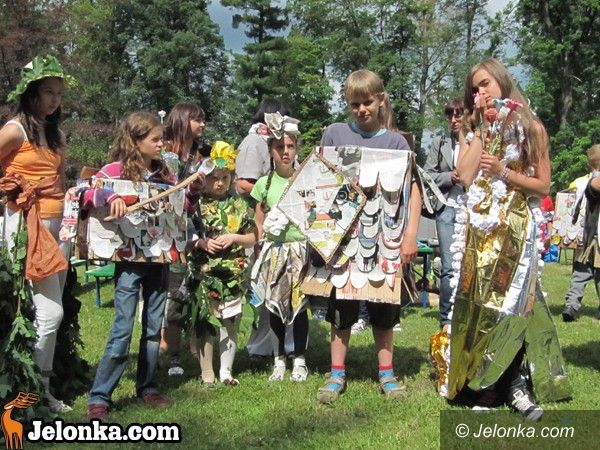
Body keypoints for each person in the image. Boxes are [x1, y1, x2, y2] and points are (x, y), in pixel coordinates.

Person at [445, 58, 570, 420]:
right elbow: (464, 175)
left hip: (516, 227)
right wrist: (483, 130)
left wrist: (503, 172)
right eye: (474, 88)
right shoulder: (478, 128)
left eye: (484, 84)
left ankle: (513, 384)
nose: (479, 92)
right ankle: (485, 383)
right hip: (481, 231)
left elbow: (543, 185)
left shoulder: (532, 127)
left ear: (501, 80)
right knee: (481, 304)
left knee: (513, 304)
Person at [84, 112, 202, 420]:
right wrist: (109, 195)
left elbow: (181, 209)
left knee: (153, 329)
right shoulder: (115, 170)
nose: (162, 144)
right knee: (122, 328)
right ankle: (100, 396)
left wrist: (191, 192)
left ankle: (148, 387)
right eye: (155, 139)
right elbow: (85, 192)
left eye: (162, 139)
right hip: (129, 262)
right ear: (136, 141)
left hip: (159, 261)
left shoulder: (166, 174)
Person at [316, 69, 421, 403]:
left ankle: (387, 374)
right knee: (341, 308)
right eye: (354, 104)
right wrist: (319, 233)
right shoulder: (334, 133)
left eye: (367, 102)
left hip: (385, 240)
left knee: (383, 307)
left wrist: (410, 235)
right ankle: (336, 373)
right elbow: (318, 182)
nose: (361, 109)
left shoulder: (396, 143)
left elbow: (413, 190)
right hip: (344, 242)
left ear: (381, 101)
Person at [0, 55, 75, 413]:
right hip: (28, 225)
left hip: (59, 226)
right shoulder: (16, 130)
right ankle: (31, 392)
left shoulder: (55, 133)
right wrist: (10, 190)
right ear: (31, 93)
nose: (54, 100)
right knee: (50, 312)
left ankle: (40, 387)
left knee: (48, 310)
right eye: (48, 92)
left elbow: (58, 180)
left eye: (59, 93)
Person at [250, 113, 310, 381]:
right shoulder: (264, 184)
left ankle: (300, 359)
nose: (285, 152)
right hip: (274, 251)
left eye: (290, 146)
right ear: (271, 151)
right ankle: (278, 360)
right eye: (279, 147)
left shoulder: (305, 179)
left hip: (299, 251)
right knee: (274, 306)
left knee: (299, 306)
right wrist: (258, 248)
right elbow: (258, 220)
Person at [235, 99, 296, 359]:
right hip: (261, 226)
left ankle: (290, 346)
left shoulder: (285, 143)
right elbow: (242, 184)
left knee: (290, 290)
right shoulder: (254, 142)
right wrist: (275, 192)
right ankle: (260, 347)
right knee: (264, 289)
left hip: (289, 232)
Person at [158, 102, 206, 376]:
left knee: (191, 289)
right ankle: (170, 353)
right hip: (167, 230)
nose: (202, 125)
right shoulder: (164, 152)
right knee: (172, 291)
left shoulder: (199, 154)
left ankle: (189, 347)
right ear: (183, 120)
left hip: (194, 226)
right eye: (197, 119)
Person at [423, 97, 465, 331]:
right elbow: (427, 175)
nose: (454, 119)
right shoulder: (440, 142)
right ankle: (447, 318)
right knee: (449, 266)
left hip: (474, 209)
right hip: (447, 208)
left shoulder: (480, 141)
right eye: (450, 115)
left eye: (459, 114)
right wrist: (450, 177)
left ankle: (467, 313)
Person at [562, 144, 600, 321]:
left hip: (581, 237)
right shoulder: (593, 182)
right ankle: (571, 306)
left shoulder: (578, 182)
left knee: (580, 274)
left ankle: (571, 305)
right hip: (594, 238)